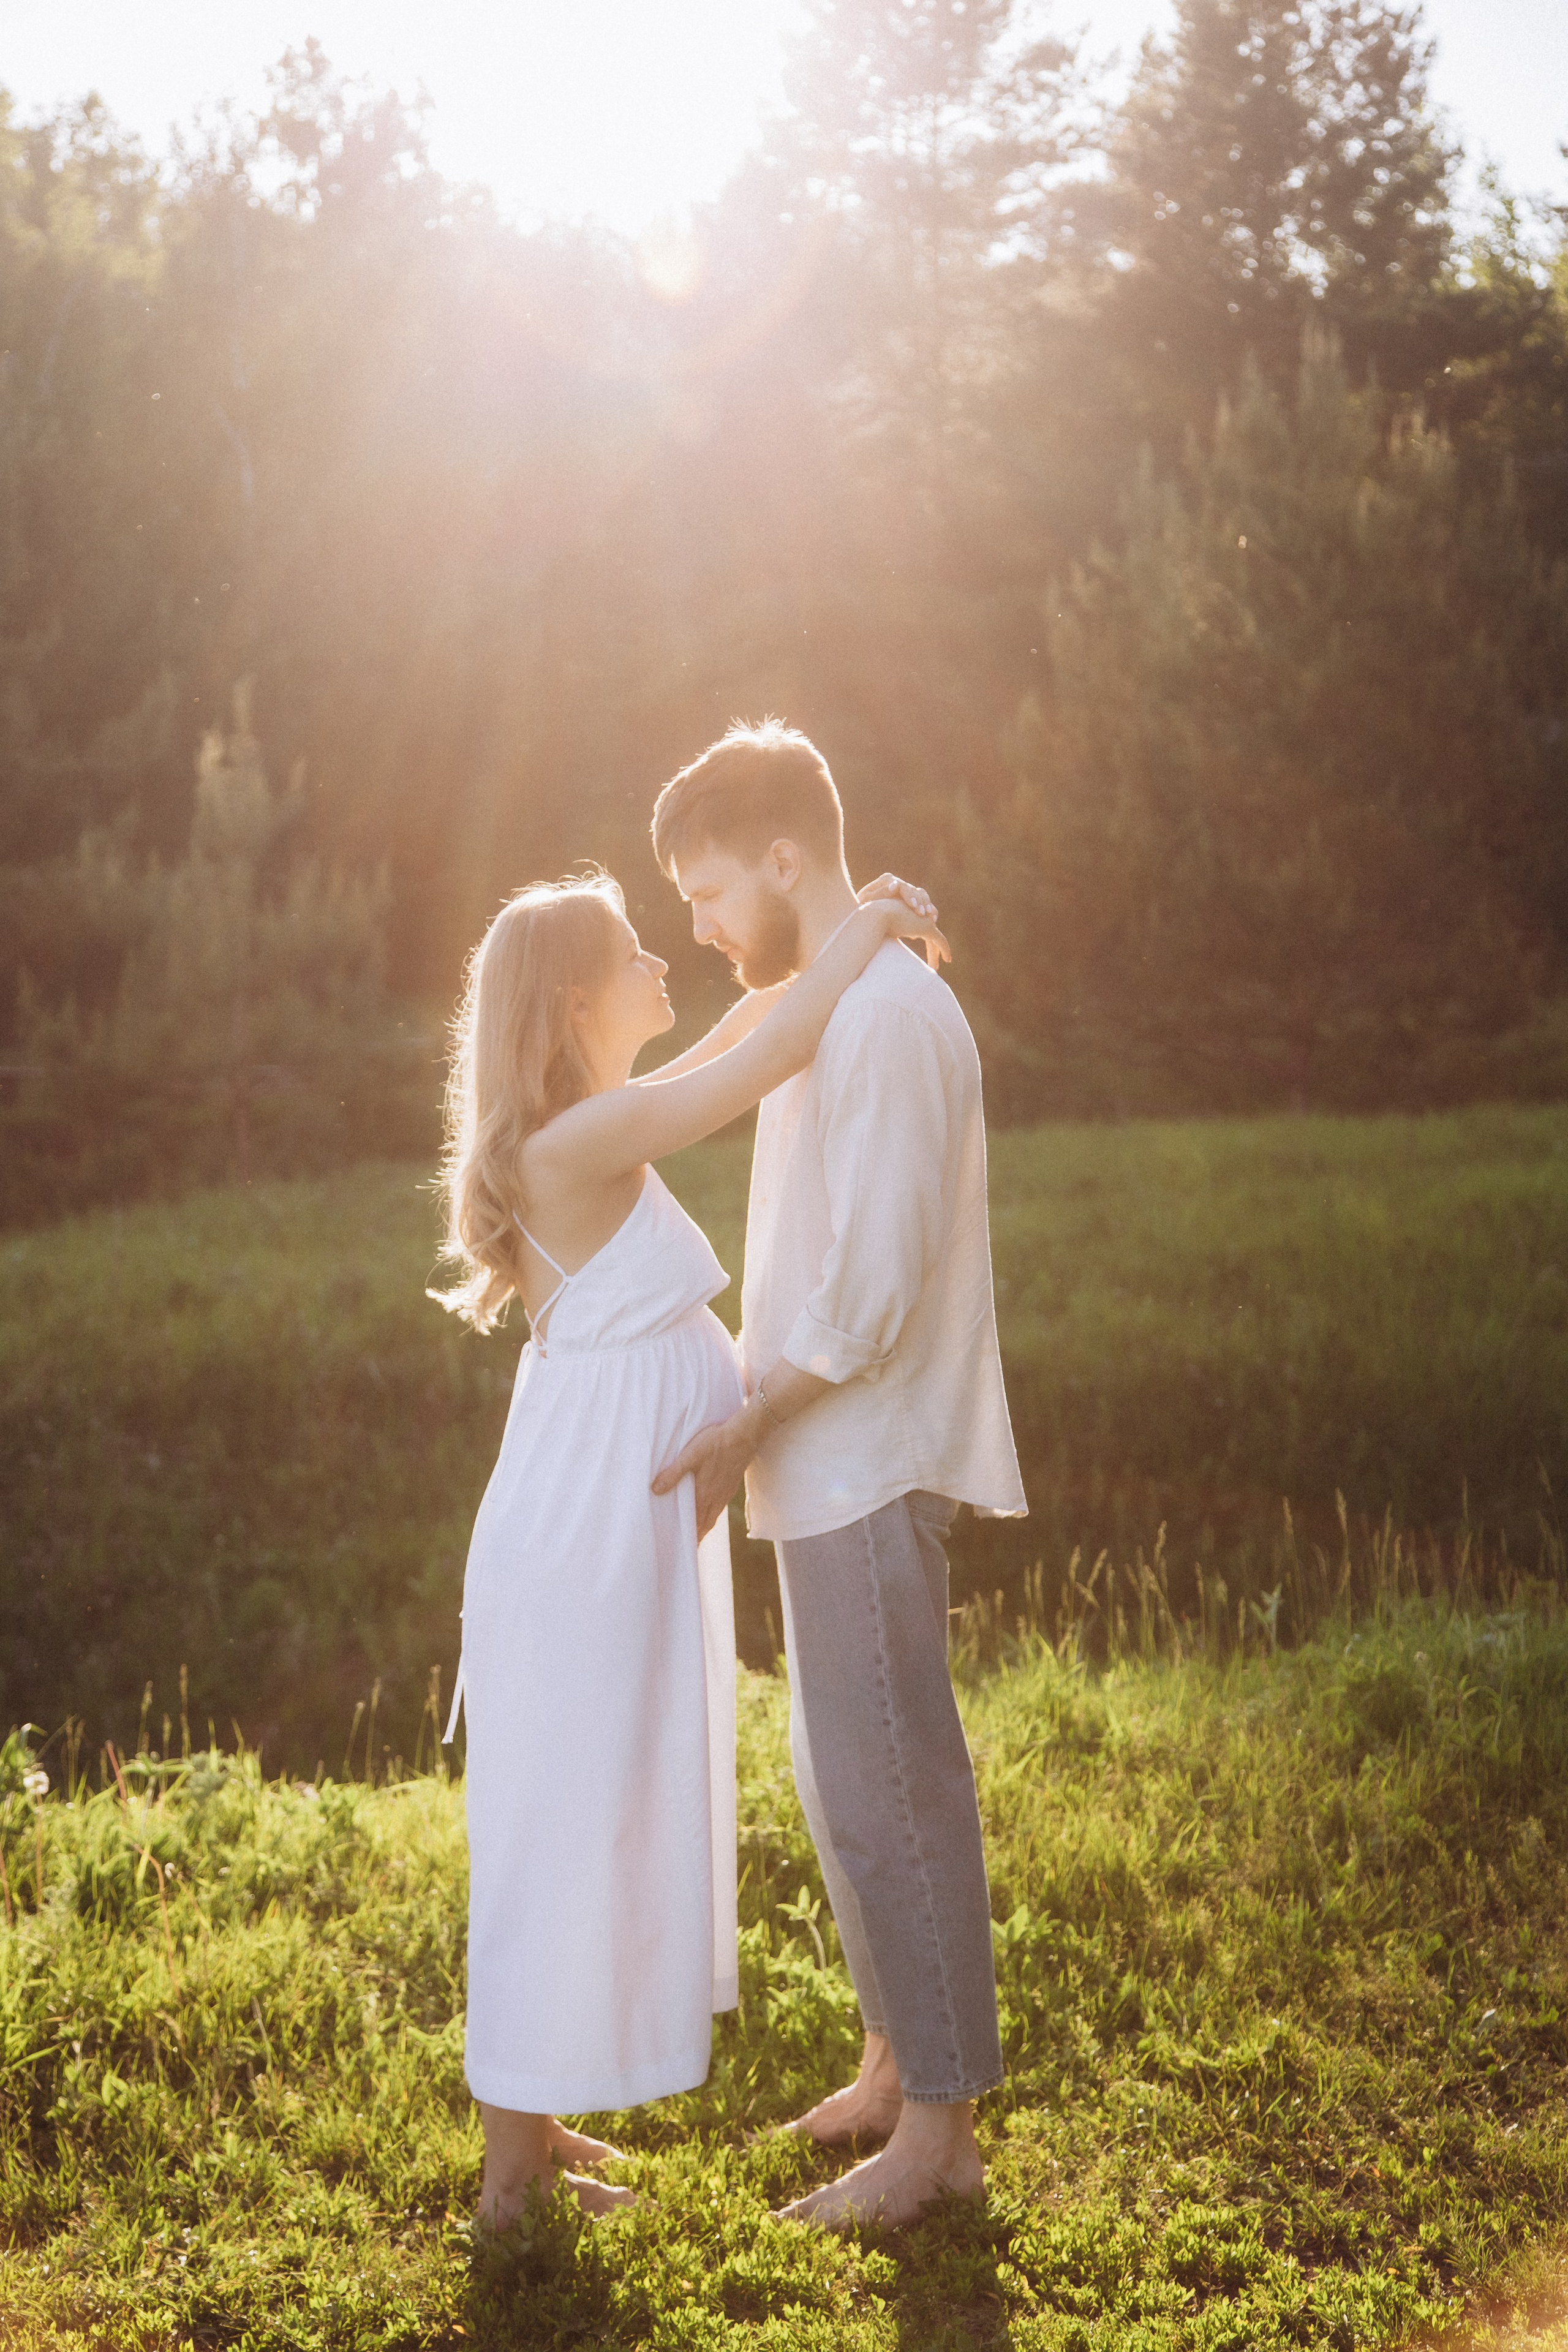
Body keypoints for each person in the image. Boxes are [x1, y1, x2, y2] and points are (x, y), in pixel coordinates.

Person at [430, 864, 949, 2230]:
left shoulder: (592, 1123)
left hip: (606, 1520)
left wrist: (800, 959)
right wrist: (865, 929)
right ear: (578, 1001)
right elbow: (764, 1051)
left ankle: (530, 2138)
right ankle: (509, 2188)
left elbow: (735, 1037)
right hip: (581, 1533)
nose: (673, 966)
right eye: (641, 954)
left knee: (570, 1809)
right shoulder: (571, 1147)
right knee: (552, 1825)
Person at [651, 722, 1028, 2230]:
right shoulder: (821, 1009)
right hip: (816, 1468)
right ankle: (891, 2060)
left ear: (786, 860)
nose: (695, 926)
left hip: (862, 1462)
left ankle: (938, 2138)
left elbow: (867, 1292)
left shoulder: (880, 1020)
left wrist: (744, 1418)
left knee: (894, 1795)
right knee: (834, 1783)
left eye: (705, 891)